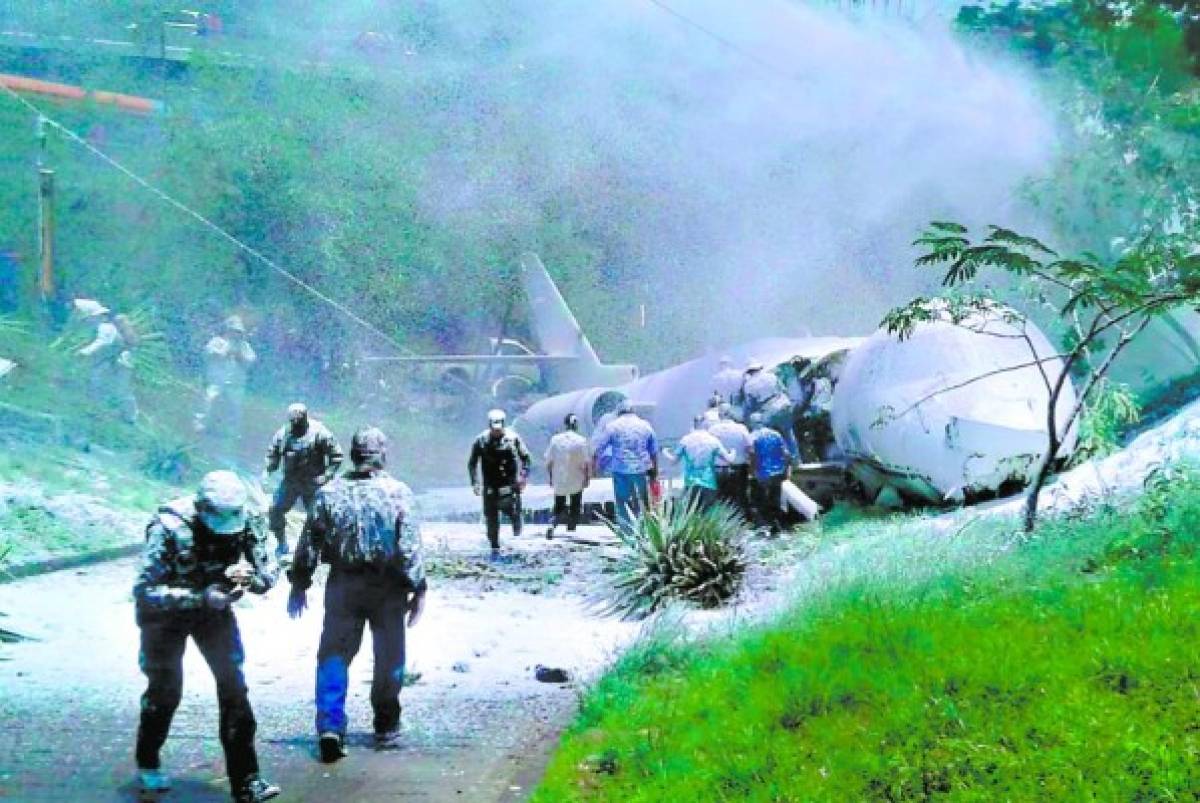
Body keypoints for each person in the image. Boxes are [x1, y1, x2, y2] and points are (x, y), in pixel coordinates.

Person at [132, 471, 281, 803]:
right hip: (164, 616)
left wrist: (248, 579)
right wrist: (201, 597)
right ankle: (148, 759)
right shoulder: (169, 526)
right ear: (201, 508)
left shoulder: (248, 519)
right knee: (165, 691)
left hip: (214, 610)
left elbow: (269, 571)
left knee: (234, 687)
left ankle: (247, 780)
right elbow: (144, 590)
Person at [287, 428, 427, 762]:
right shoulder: (398, 493)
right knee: (389, 655)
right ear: (383, 453)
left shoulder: (329, 493)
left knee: (334, 653)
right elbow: (409, 546)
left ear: (353, 454)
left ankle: (330, 725)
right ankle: (386, 723)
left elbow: (309, 542)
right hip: (388, 586)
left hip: (343, 585)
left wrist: (299, 583)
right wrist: (418, 587)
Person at [262, 403, 344, 557]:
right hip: (290, 483)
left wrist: (326, 476)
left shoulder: (320, 434)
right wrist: (268, 470)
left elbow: (337, 456)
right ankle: (282, 544)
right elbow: (273, 454)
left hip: (312, 485)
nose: (295, 427)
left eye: (298, 423)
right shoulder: (284, 434)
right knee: (275, 510)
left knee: (319, 520)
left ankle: (318, 551)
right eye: (293, 423)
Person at [467, 409, 532, 556]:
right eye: (493, 428)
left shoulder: (513, 438)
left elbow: (526, 458)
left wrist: (523, 477)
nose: (496, 432)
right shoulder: (481, 440)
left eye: (499, 428)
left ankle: (517, 540)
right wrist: (475, 483)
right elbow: (472, 463)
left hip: (510, 486)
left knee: (514, 514)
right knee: (491, 520)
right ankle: (494, 546)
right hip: (490, 486)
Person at [592, 400, 659, 528]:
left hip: (620, 470)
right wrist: (654, 472)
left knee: (622, 502)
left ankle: (627, 531)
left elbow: (599, 448)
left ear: (619, 412)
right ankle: (644, 530)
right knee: (643, 503)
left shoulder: (612, 426)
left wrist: (596, 466)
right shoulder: (645, 425)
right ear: (633, 410)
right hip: (641, 469)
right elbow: (654, 451)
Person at [75, 298, 138, 424]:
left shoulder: (105, 327)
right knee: (98, 383)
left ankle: (129, 417)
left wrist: (84, 352)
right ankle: (99, 411)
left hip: (120, 362)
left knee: (120, 389)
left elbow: (103, 342)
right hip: (112, 361)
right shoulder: (103, 326)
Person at [197, 315, 257, 439]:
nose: (236, 334)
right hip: (216, 381)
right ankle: (202, 424)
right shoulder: (217, 342)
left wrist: (240, 356)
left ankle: (232, 431)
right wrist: (223, 353)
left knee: (235, 407)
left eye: (239, 332)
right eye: (234, 331)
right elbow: (208, 353)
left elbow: (251, 360)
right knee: (209, 401)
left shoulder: (244, 346)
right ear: (228, 330)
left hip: (236, 383)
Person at [663, 415, 733, 510]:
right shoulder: (713, 440)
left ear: (694, 424)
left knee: (692, 513)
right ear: (705, 424)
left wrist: (665, 452)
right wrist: (733, 452)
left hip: (691, 483)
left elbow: (673, 461)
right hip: (708, 482)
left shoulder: (686, 440)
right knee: (708, 513)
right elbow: (729, 459)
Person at [544, 413, 591, 539]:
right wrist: (587, 478)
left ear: (565, 424)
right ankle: (571, 529)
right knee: (575, 505)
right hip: (576, 479)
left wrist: (550, 478)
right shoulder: (581, 441)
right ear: (576, 425)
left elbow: (549, 461)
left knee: (558, 505)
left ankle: (552, 524)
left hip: (559, 479)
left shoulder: (555, 440)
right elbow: (586, 463)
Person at [749, 412, 793, 534]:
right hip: (779, 473)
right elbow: (787, 454)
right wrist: (788, 469)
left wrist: (753, 472)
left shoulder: (752, 436)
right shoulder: (776, 434)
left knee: (762, 502)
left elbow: (752, 456)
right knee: (776, 500)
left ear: (752, 423)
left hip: (763, 474)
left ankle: (768, 527)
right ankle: (780, 526)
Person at [708, 404, 754, 514]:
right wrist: (752, 467)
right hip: (739, 469)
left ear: (719, 415)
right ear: (731, 414)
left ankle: (724, 526)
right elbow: (750, 449)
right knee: (740, 498)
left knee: (721, 499)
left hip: (718, 469)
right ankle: (741, 524)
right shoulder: (741, 428)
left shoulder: (712, 430)